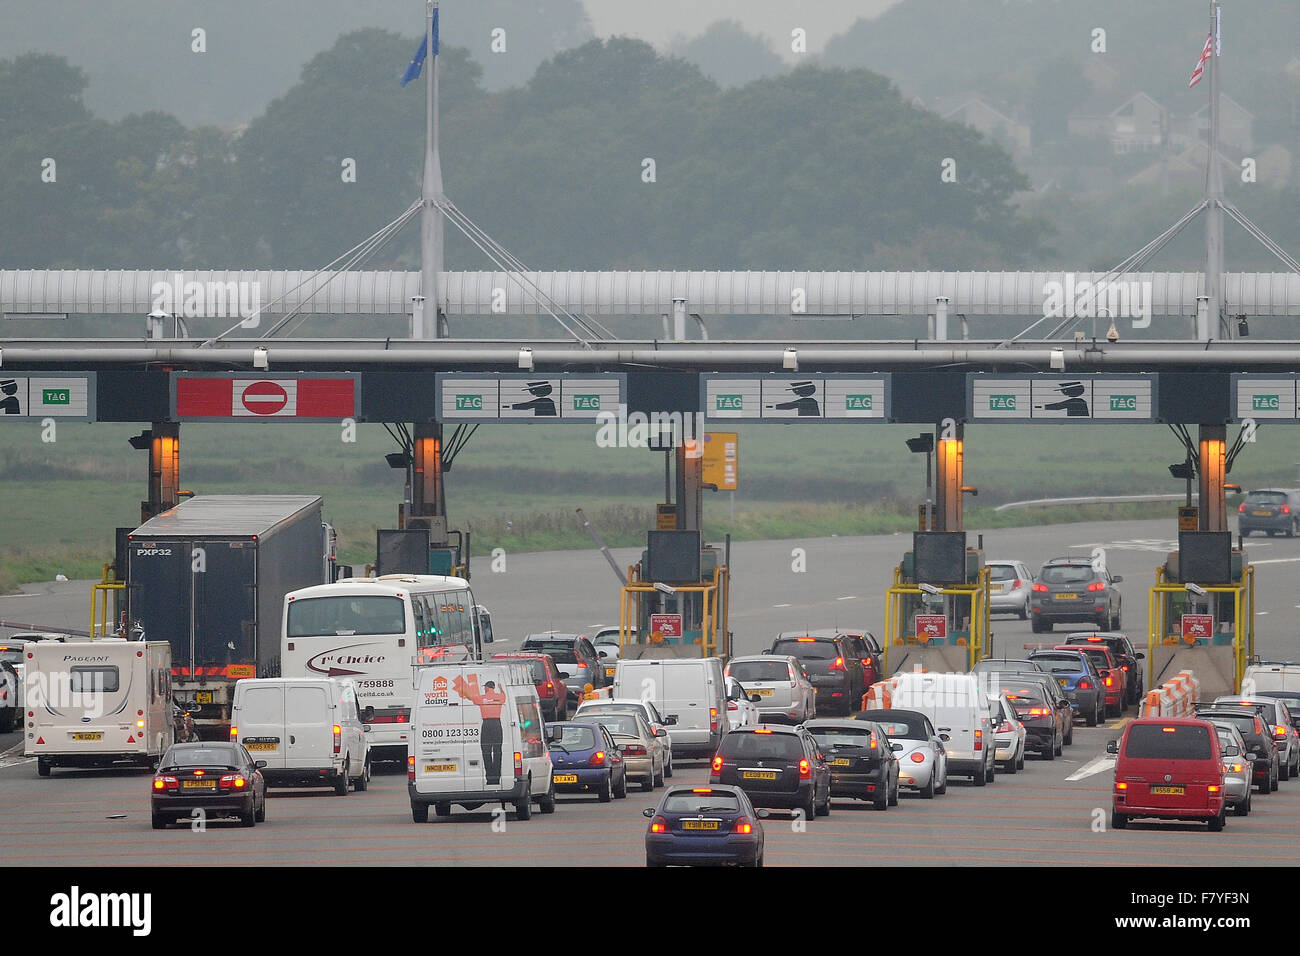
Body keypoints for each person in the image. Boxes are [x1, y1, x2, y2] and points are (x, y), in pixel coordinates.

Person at [455, 676, 507, 785]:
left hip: (487, 724)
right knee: (497, 750)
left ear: (487, 688)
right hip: (497, 724)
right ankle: (497, 777)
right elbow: (504, 697)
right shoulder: (500, 697)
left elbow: (471, 698)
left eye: (485, 688)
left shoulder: (482, 698)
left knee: (486, 750)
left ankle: (490, 777)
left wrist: (464, 690)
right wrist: (501, 688)